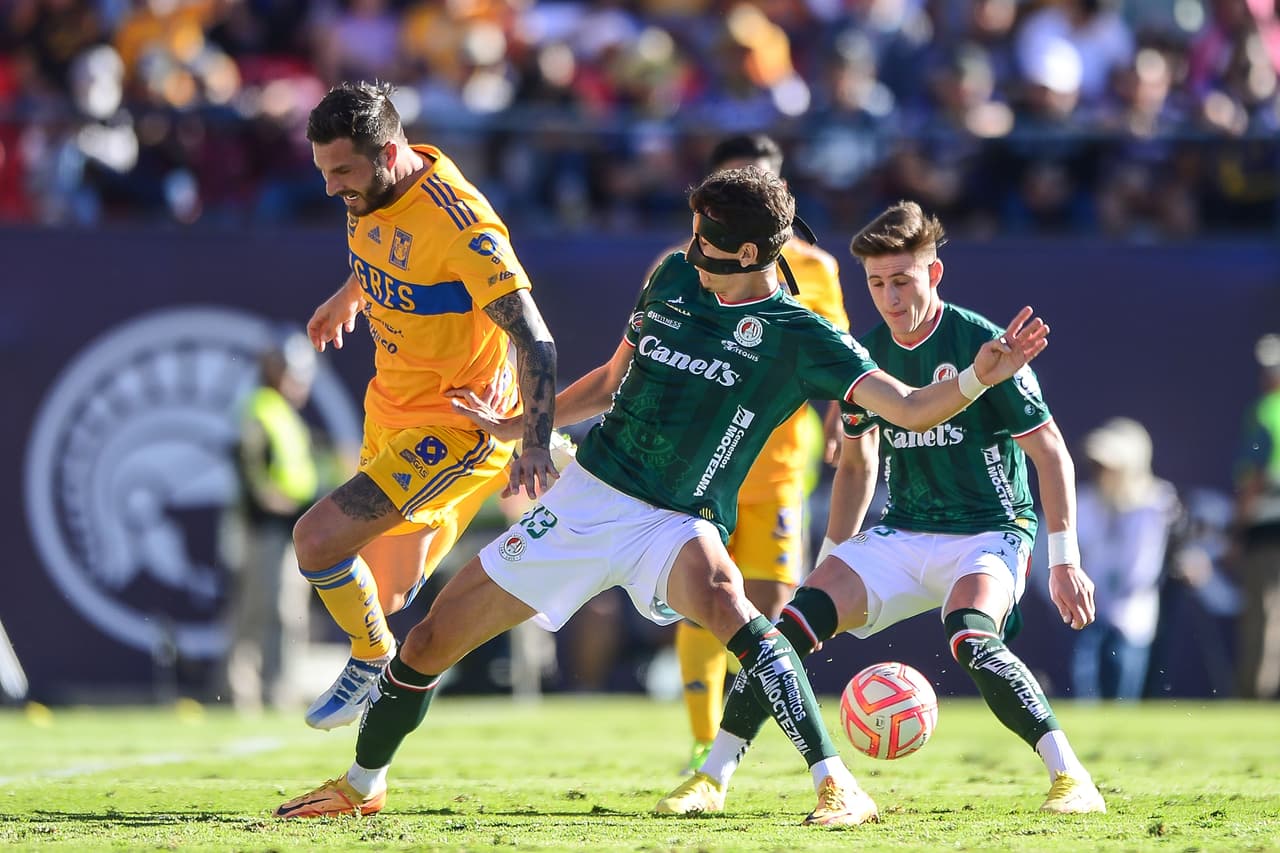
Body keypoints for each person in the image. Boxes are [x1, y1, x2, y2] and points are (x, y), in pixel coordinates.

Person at [272, 167, 1048, 824]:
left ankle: (835, 784)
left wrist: (983, 374)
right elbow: (611, 381)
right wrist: (517, 422)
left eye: (706, 238)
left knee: (739, 612)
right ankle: (361, 787)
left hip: (677, 520)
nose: (690, 247)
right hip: (590, 497)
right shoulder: (674, 275)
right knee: (429, 640)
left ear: (748, 252)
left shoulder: (801, 336)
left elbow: (910, 408)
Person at [656, 200, 1104, 818]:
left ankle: (1071, 777)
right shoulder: (863, 353)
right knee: (783, 629)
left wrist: (1064, 561)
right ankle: (712, 776)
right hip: (903, 532)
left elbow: (1050, 452)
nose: (889, 296)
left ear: (933, 275)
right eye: (875, 283)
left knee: (971, 637)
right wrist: (833, 558)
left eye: (901, 280)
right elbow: (859, 463)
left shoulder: (981, 344)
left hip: (989, 532)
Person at [294, 81, 558, 731]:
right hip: (389, 410)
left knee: (317, 542)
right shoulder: (372, 187)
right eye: (324, 172)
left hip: (452, 425)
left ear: (388, 153)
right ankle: (366, 775)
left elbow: (537, 341)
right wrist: (350, 294)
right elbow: (386, 241)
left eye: (342, 173)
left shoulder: (463, 223)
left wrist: (534, 440)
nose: (332, 189)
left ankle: (369, 656)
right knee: (373, 593)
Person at [655, 134, 852, 774]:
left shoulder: (817, 269)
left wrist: (848, 422)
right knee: (697, 595)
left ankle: (736, 738)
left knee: (767, 607)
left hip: (779, 463)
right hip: (704, 463)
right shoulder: (686, 265)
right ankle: (703, 737)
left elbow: (838, 355)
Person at [220, 330, 325, 713]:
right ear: (275, 370)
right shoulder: (260, 409)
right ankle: (247, 691)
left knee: (281, 612)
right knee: (262, 611)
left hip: (287, 531)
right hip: (266, 530)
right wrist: (284, 508)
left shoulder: (283, 415)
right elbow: (252, 474)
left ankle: (270, 689)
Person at [1072, 417, 1178, 700]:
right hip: (1087, 616)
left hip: (1132, 617)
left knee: (1122, 697)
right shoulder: (1083, 502)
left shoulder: (1157, 503)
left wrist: (1115, 601)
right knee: (1085, 694)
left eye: (1110, 465)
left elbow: (1144, 565)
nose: (1102, 472)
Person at [1231, 333, 1280, 699]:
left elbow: (1254, 477)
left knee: (1263, 617)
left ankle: (1255, 696)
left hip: (1268, 529)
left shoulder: (1266, 411)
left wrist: (1238, 528)